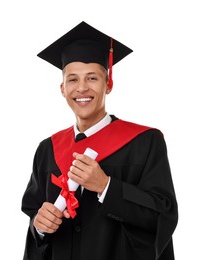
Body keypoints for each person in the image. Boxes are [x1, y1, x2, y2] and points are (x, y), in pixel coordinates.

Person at [21, 21, 178, 260]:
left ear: (108, 84)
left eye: (92, 78)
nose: (81, 88)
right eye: (73, 80)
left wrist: (106, 186)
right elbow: (35, 221)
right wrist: (39, 227)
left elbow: (163, 216)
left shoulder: (144, 142)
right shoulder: (47, 149)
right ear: (62, 88)